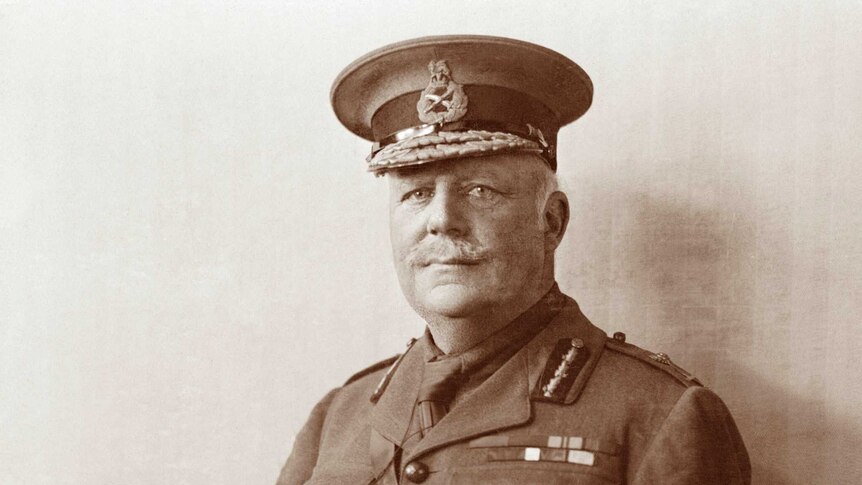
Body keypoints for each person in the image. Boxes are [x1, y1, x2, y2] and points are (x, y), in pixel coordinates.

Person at [277, 35, 751, 485]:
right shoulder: (340, 415)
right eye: (416, 194)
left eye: (481, 191)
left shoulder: (658, 413)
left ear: (552, 222)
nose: (442, 221)